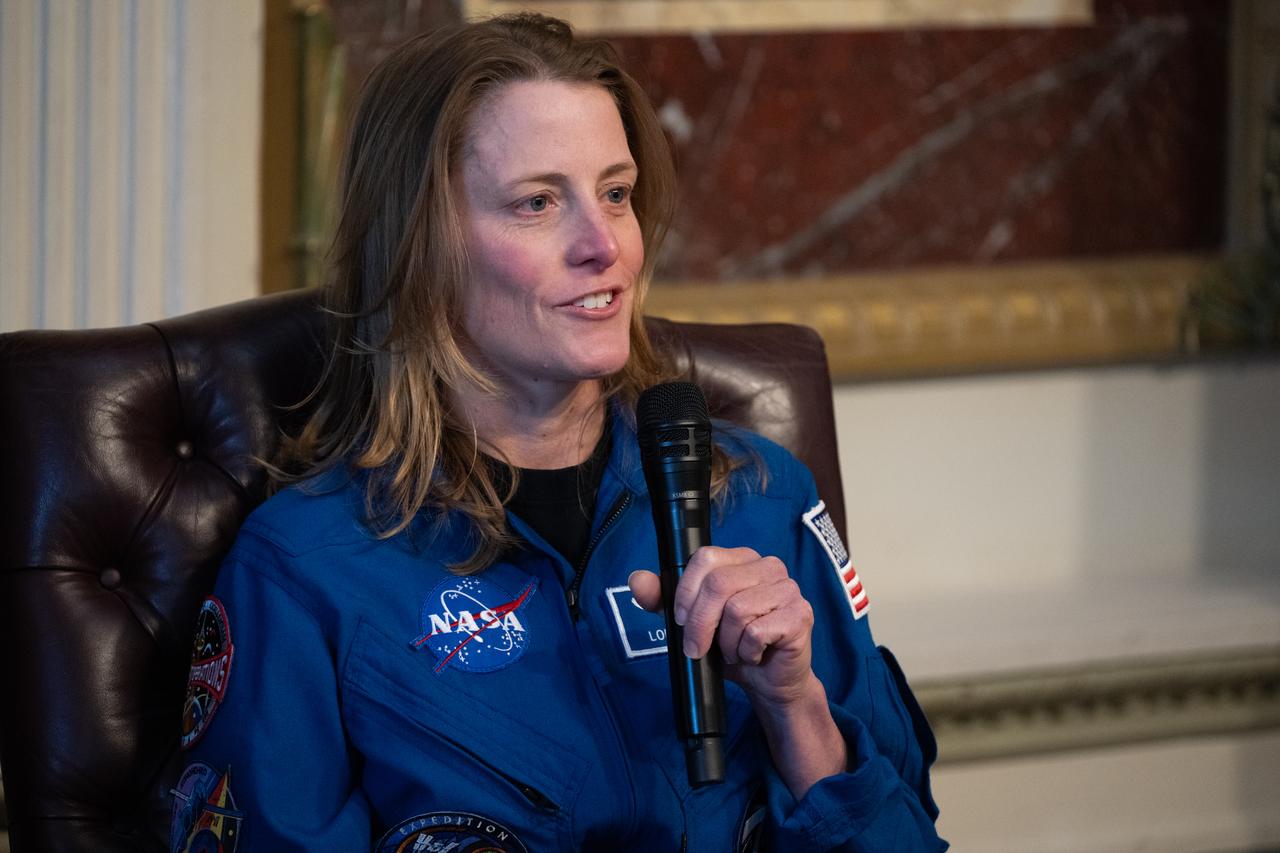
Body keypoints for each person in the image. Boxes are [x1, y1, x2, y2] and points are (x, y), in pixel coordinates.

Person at [171, 12, 944, 852]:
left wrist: (795, 710)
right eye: (538, 203)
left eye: (616, 193)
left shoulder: (761, 496)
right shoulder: (305, 569)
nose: (603, 244)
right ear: (420, 246)